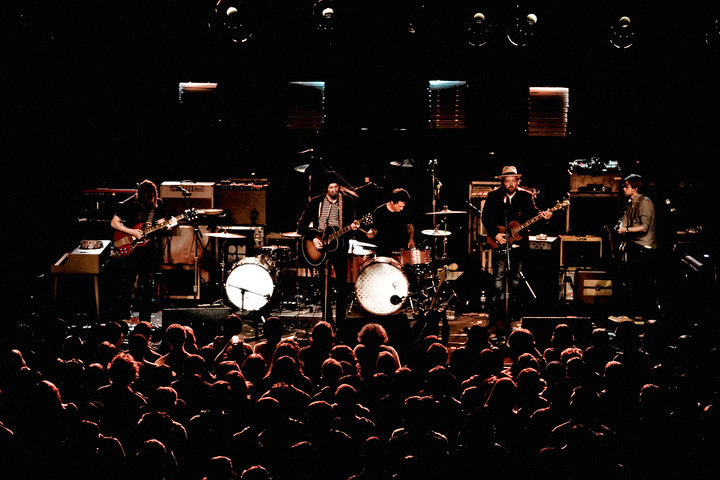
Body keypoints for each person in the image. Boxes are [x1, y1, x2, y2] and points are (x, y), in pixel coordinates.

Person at [481, 166, 553, 333]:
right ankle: (496, 318)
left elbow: (534, 214)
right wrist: (495, 234)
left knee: (515, 281)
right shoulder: (493, 195)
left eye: (513, 181)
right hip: (499, 241)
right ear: (503, 182)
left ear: (518, 181)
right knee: (498, 281)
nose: (511, 184)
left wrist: (545, 217)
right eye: (507, 181)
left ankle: (512, 318)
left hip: (519, 245)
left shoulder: (526, 196)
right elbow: (486, 217)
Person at [297, 171, 360, 341]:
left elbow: (352, 224)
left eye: (336, 187)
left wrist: (353, 227)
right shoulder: (316, 202)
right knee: (324, 285)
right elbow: (301, 225)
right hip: (321, 248)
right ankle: (327, 322)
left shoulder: (347, 201)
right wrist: (313, 237)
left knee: (342, 286)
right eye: (330, 187)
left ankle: (341, 322)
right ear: (326, 188)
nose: (333, 190)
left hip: (340, 247)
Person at [110, 179, 177, 322]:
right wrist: (132, 232)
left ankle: (145, 322)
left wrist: (170, 225)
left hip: (149, 251)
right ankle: (123, 318)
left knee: (146, 286)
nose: (149, 200)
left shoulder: (158, 204)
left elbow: (161, 225)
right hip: (132, 251)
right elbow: (114, 222)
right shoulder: (130, 203)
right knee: (127, 283)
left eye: (151, 197)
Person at [615, 173, 658, 319]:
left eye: (626, 186)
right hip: (634, 245)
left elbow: (644, 227)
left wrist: (626, 230)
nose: (624, 189)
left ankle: (647, 315)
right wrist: (620, 226)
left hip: (644, 247)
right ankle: (633, 314)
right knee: (632, 281)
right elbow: (625, 219)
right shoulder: (630, 202)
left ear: (635, 188)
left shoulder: (645, 203)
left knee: (643, 282)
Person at [366, 188, 415, 257]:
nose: (402, 209)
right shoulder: (379, 211)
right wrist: (371, 234)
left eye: (403, 206)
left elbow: (409, 226)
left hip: (400, 248)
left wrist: (411, 239)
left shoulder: (405, 211)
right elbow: (374, 231)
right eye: (399, 206)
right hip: (383, 249)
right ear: (392, 202)